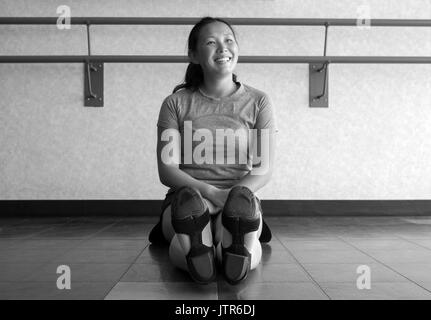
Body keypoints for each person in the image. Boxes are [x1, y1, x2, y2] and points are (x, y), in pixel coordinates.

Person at [149, 16, 277, 285]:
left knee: (236, 223)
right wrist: (210, 194)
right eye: (211, 42)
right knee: (192, 223)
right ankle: (203, 247)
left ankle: (223, 247)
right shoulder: (175, 103)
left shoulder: (259, 102)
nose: (223, 48)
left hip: (239, 201)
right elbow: (167, 170)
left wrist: (230, 197)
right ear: (193, 55)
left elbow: (263, 170)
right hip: (187, 202)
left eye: (229, 40)